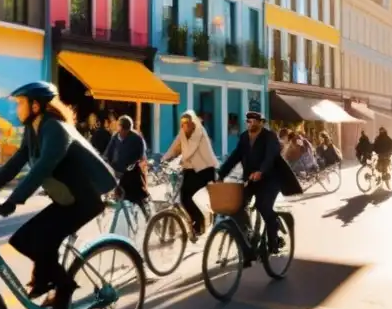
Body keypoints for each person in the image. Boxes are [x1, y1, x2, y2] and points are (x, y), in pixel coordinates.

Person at [0, 82, 116, 309]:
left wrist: (12, 202)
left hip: (84, 201)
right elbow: (14, 165)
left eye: (21, 103)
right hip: (66, 200)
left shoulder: (55, 129)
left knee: (41, 242)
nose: (17, 109)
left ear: (36, 105)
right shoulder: (33, 129)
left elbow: (42, 167)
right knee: (22, 239)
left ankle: (64, 288)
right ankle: (45, 282)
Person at [218, 111, 301, 260]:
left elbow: (270, 157)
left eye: (254, 120)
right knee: (236, 205)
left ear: (261, 123)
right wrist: (221, 174)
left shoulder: (269, 137)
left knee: (263, 206)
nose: (250, 123)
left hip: (270, 179)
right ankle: (248, 234)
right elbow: (235, 157)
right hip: (251, 179)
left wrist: (261, 171)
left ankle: (274, 239)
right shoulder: (244, 137)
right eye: (248, 120)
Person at [162, 110, 218, 239]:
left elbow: (188, 152)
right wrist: (164, 159)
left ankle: (199, 223)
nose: (184, 125)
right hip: (190, 169)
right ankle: (196, 222)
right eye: (182, 123)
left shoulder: (199, 132)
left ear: (193, 123)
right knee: (183, 198)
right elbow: (174, 147)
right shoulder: (183, 132)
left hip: (205, 169)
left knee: (187, 197)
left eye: (187, 122)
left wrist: (178, 160)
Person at [104, 115, 149, 212]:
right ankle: (121, 221)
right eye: (120, 128)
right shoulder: (115, 137)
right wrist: (107, 162)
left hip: (132, 173)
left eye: (125, 130)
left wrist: (133, 163)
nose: (122, 132)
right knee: (119, 200)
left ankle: (148, 217)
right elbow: (108, 152)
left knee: (138, 198)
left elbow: (140, 155)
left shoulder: (136, 138)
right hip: (118, 172)